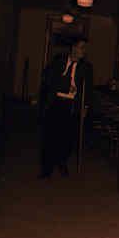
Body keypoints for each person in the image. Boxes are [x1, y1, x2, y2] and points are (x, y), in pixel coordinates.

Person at [39, 37, 93, 177]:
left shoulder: (86, 67)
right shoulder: (59, 61)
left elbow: (88, 90)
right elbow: (46, 77)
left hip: (72, 104)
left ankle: (62, 161)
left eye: (85, 48)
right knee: (50, 135)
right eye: (81, 47)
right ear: (74, 48)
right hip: (56, 102)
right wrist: (62, 83)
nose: (84, 51)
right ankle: (47, 168)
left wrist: (85, 106)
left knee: (68, 137)